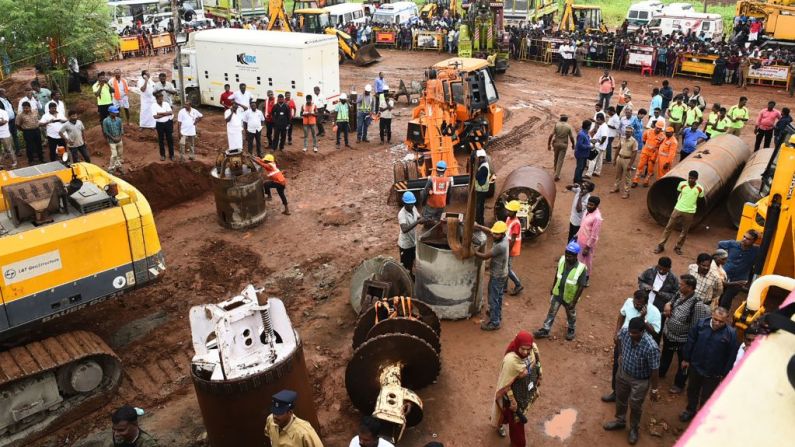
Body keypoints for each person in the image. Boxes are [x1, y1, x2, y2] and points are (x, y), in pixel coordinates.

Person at [602, 317, 660, 446]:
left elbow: (655, 369)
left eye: (634, 333)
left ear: (642, 331)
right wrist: (621, 354)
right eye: (630, 331)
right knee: (621, 399)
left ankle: (634, 429)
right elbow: (619, 340)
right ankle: (620, 421)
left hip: (640, 381)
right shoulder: (625, 332)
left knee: (635, 405)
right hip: (623, 374)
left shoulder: (651, 347)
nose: (630, 334)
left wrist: (654, 389)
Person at [679, 307, 738, 422]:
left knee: (707, 396)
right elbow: (690, 341)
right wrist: (686, 359)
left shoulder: (731, 334)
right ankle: (690, 410)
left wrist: (724, 374)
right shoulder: (701, 324)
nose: (717, 323)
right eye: (715, 319)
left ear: (726, 320)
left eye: (721, 321)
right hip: (696, 367)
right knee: (692, 390)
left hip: (713, 373)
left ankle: (701, 416)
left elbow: (731, 356)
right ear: (712, 315)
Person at [602, 291, 662, 402]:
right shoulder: (629, 302)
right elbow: (622, 314)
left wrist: (643, 320)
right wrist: (617, 331)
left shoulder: (655, 312)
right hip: (624, 340)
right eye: (635, 303)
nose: (636, 306)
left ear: (646, 303)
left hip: (640, 346)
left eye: (640, 305)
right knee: (618, 365)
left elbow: (655, 333)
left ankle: (633, 396)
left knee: (636, 371)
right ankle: (616, 392)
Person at [659, 275, 711, 394]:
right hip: (668, 335)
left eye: (681, 285)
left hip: (683, 340)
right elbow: (671, 301)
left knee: (684, 363)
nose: (679, 286)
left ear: (689, 287)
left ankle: (679, 384)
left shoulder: (697, 305)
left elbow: (695, 327)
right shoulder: (679, 293)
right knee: (666, 355)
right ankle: (661, 372)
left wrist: (690, 345)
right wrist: (668, 305)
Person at [491, 331, 542, 446]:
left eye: (527, 349)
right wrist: (513, 401)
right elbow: (506, 384)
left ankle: (499, 425)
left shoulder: (532, 349)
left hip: (526, 392)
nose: (525, 352)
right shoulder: (511, 361)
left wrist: (539, 375)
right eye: (522, 349)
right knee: (516, 422)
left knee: (505, 415)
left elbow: (537, 362)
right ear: (517, 345)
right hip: (513, 398)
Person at [533, 241, 587, 341]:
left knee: (571, 314)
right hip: (558, 293)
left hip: (569, 297)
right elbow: (557, 274)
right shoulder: (562, 260)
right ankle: (546, 329)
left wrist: (574, 302)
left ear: (576, 256)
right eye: (567, 254)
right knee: (551, 312)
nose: (567, 257)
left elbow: (581, 286)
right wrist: (553, 287)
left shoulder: (581, 268)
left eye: (570, 255)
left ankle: (571, 329)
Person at [654, 170, 704, 256]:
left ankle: (678, 247)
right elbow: (678, 193)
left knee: (685, 231)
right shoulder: (682, 184)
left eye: (693, 179)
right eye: (690, 178)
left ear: (696, 179)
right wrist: (680, 203)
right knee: (668, 227)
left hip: (690, 212)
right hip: (678, 209)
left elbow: (700, 199)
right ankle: (660, 245)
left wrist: (692, 206)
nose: (691, 180)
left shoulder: (700, 188)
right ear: (688, 177)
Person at [475, 221, 510, 331]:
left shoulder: (501, 246)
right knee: (498, 295)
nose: (494, 235)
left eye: (496, 234)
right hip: (501, 273)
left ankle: (495, 322)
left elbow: (485, 256)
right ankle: (497, 314)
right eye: (494, 233)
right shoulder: (502, 237)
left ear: (502, 234)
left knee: (493, 298)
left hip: (497, 275)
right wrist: (478, 226)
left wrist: (473, 251)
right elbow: (490, 231)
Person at [717, 230, 761, 309]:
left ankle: (722, 316)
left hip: (739, 280)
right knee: (718, 297)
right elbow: (720, 244)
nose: (744, 239)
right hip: (725, 276)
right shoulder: (732, 244)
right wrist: (722, 257)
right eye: (744, 236)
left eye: (748, 239)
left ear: (754, 241)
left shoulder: (756, 250)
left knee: (725, 301)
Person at [638, 257, 679, 328]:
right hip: (644, 304)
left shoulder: (673, 279)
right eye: (660, 268)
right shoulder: (650, 271)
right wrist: (645, 286)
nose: (662, 271)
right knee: (639, 323)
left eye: (664, 269)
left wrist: (660, 293)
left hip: (659, 309)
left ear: (669, 268)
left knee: (655, 328)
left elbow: (675, 294)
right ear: (657, 265)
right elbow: (641, 280)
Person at [576, 196, 602, 285]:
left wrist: (587, 247)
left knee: (586, 261)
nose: (589, 206)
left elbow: (594, 235)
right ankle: (579, 275)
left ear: (596, 206)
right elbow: (583, 225)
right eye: (588, 204)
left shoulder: (597, 218)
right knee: (579, 259)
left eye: (592, 205)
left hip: (587, 244)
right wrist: (577, 235)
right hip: (580, 239)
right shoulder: (587, 211)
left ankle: (586, 279)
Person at [398, 191, 423, 275]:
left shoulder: (414, 208)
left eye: (412, 203)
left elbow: (419, 217)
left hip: (413, 242)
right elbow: (404, 229)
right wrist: (417, 222)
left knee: (413, 261)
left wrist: (424, 220)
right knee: (406, 267)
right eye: (408, 204)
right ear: (404, 203)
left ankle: (412, 277)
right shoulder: (401, 214)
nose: (411, 205)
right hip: (405, 245)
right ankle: (408, 281)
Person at [633, 121, 664, 187]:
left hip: (653, 155)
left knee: (650, 169)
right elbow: (644, 140)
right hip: (645, 152)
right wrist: (647, 147)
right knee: (640, 166)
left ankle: (646, 182)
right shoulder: (648, 131)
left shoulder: (663, 136)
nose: (658, 129)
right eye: (657, 127)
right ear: (655, 126)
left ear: (661, 129)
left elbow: (661, 147)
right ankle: (635, 181)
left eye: (660, 128)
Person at [504, 200, 524, 296]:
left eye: (509, 210)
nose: (507, 211)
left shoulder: (516, 223)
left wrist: (507, 250)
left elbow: (512, 239)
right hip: (507, 247)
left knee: (507, 268)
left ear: (515, 212)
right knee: (505, 267)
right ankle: (504, 287)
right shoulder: (509, 218)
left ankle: (518, 284)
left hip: (511, 249)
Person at [548, 114, 576, 181]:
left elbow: (551, 135)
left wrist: (548, 144)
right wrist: (573, 144)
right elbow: (571, 137)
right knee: (560, 160)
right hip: (564, 144)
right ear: (566, 120)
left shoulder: (557, 125)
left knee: (556, 158)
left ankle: (555, 170)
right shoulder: (568, 127)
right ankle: (557, 175)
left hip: (556, 143)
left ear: (560, 119)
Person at [612, 127, 638, 199]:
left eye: (629, 132)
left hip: (627, 160)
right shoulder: (622, 138)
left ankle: (627, 192)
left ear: (632, 133)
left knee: (627, 177)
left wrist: (630, 164)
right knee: (618, 174)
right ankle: (616, 187)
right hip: (619, 158)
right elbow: (618, 148)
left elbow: (634, 153)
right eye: (626, 131)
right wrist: (614, 159)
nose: (627, 133)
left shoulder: (634, 141)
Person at [152, 93, 175, 161]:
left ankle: (172, 155)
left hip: (168, 123)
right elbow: (155, 116)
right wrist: (165, 113)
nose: (161, 100)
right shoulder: (153, 105)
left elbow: (171, 112)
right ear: (156, 99)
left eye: (162, 98)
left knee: (170, 139)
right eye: (160, 99)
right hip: (159, 124)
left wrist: (160, 113)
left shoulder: (166, 104)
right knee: (161, 140)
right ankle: (162, 155)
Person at [103, 106, 125, 174]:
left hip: (119, 140)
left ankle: (118, 166)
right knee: (114, 155)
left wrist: (119, 137)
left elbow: (121, 129)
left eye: (116, 112)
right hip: (112, 141)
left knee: (120, 154)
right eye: (114, 113)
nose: (116, 114)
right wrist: (113, 138)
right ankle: (111, 168)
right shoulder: (106, 121)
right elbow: (106, 131)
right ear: (110, 112)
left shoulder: (119, 120)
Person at [585, 113, 608, 178]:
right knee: (599, 159)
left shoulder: (603, 127)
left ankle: (589, 174)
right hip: (601, 147)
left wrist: (599, 143)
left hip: (598, 146)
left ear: (600, 119)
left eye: (597, 120)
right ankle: (597, 172)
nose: (597, 122)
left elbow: (604, 136)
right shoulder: (604, 125)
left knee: (592, 159)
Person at [0, 88, 21, 156]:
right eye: (5, 92)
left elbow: (11, 108)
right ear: (1, 93)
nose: (6, 93)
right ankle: (8, 153)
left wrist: (15, 115)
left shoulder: (7, 99)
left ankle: (18, 151)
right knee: (6, 138)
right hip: (5, 123)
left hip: (12, 120)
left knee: (15, 136)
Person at [474, 149, 491, 225]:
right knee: (479, 206)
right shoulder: (484, 164)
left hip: (481, 189)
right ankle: (479, 220)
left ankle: (479, 222)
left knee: (479, 206)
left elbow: (478, 177)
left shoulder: (483, 167)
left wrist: (476, 172)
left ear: (480, 157)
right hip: (482, 188)